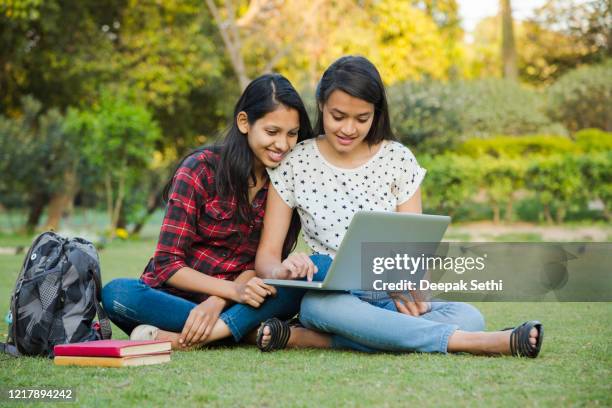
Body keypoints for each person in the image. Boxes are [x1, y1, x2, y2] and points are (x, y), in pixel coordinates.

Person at [254, 56, 544, 358]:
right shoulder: (295, 161)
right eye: (338, 116)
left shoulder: (398, 159)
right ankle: (472, 343)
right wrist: (283, 270)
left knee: (470, 317)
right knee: (316, 307)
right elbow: (267, 257)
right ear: (322, 105)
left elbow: (414, 250)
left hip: (388, 295)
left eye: (362, 119)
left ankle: (315, 340)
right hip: (333, 296)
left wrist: (412, 287)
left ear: (376, 113)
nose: (349, 129)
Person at [101, 74, 329, 350]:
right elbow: (167, 264)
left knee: (299, 283)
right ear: (244, 122)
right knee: (118, 293)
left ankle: (187, 337)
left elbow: (259, 268)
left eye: (292, 134)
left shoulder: (285, 183)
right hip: (174, 298)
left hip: (242, 298)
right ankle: (247, 331)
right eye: (272, 132)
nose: (282, 145)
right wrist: (229, 292)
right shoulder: (200, 169)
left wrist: (218, 302)